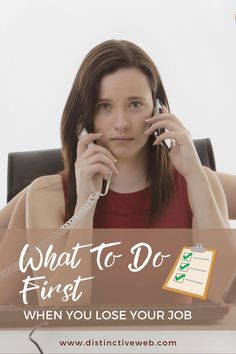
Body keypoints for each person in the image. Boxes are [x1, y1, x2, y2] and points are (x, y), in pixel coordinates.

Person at [0, 39, 232, 307]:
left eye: (135, 104)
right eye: (104, 107)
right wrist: (85, 209)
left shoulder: (197, 185)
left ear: (158, 111)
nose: (121, 123)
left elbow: (213, 291)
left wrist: (194, 177)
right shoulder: (47, 196)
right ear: (83, 120)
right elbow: (63, 308)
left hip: (171, 345)